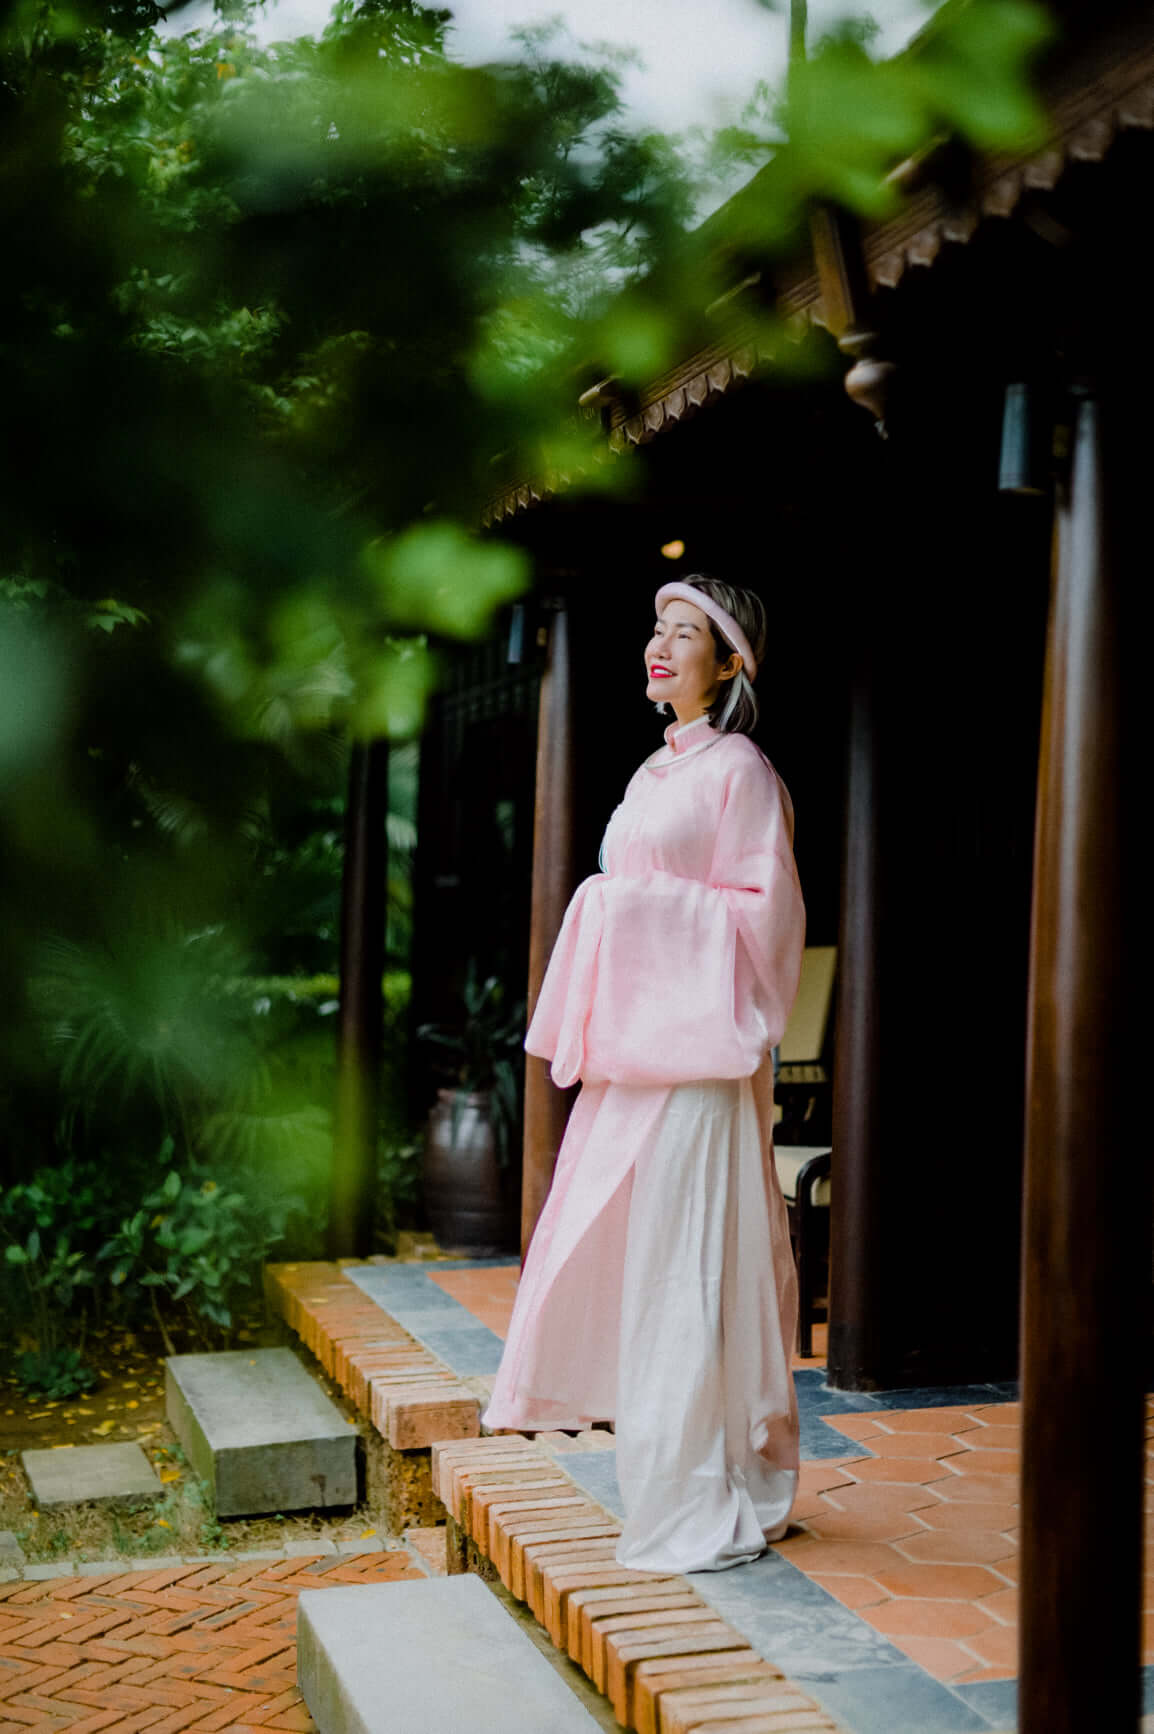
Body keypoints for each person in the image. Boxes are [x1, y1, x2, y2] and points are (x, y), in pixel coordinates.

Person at [482, 575, 806, 1574]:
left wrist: (623, 908)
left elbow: (765, 918)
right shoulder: (653, 772)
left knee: (685, 1268)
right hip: (641, 1057)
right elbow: (645, 890)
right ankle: (684, 1475)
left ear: (730, 662)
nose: (656, 650)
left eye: (681, 636)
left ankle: (695, 1496)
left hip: (698, 1056)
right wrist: (619, 904)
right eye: (654, 633)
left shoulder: (738, 771)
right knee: (633, 1256)